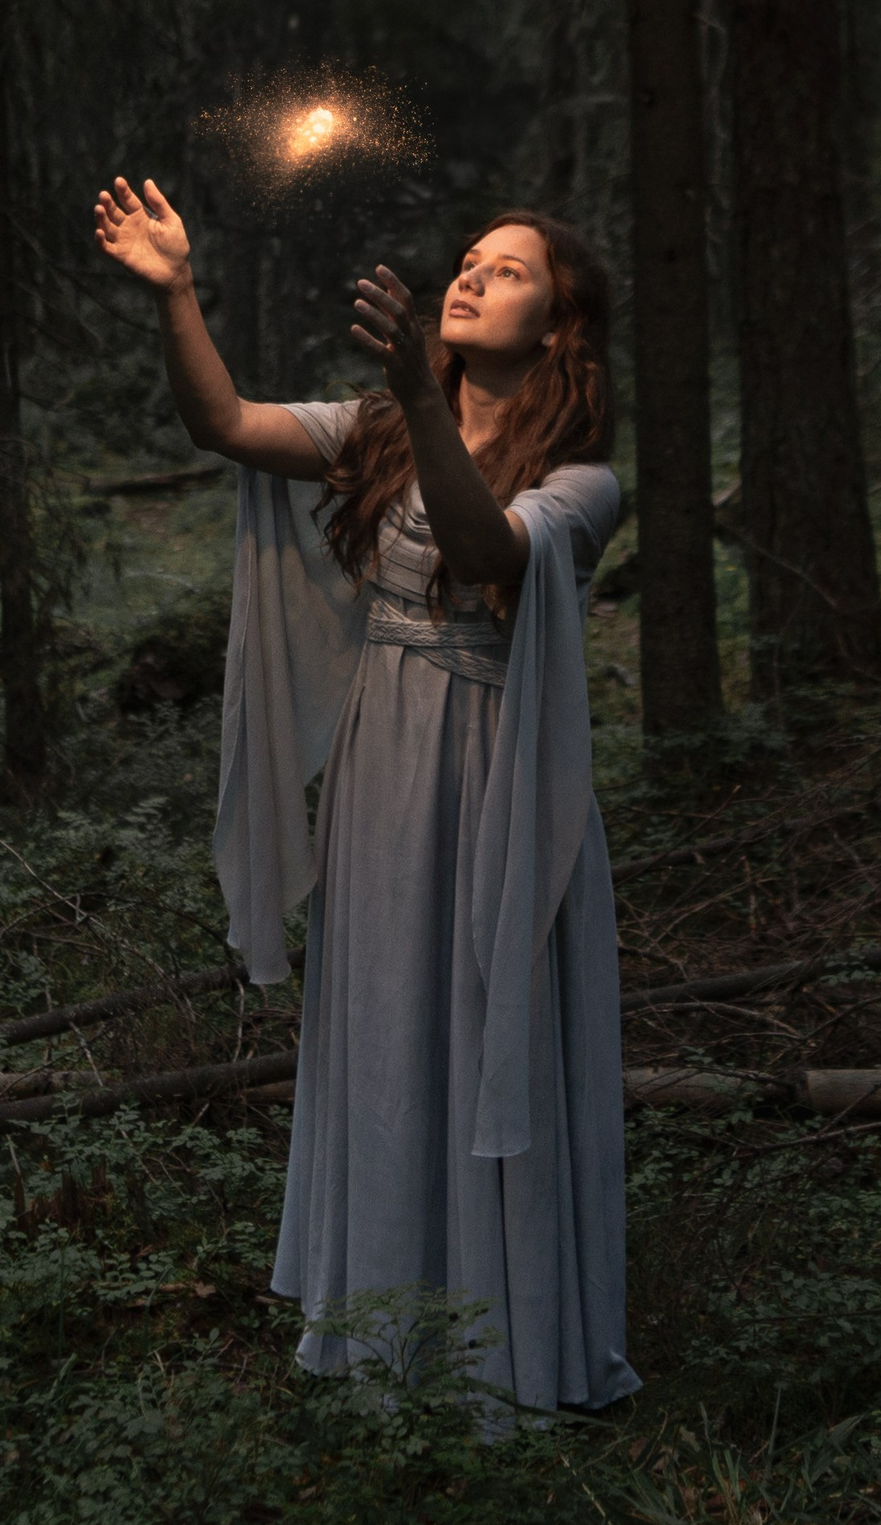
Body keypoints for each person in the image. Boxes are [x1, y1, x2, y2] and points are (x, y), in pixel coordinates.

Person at [91, 176, 639, 1416]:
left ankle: (503, 1350)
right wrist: (177, 292)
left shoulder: (584, 482)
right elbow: (225, 423)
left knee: (488, 1029)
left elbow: (486, 549)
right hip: (383, 771)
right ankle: (388, 1341)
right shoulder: (381, 429)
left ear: (559, 328)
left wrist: (417, 399)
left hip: (500, 782)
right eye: (468, 259)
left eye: (507, 270)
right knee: (389, 1029)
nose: (471, 275)